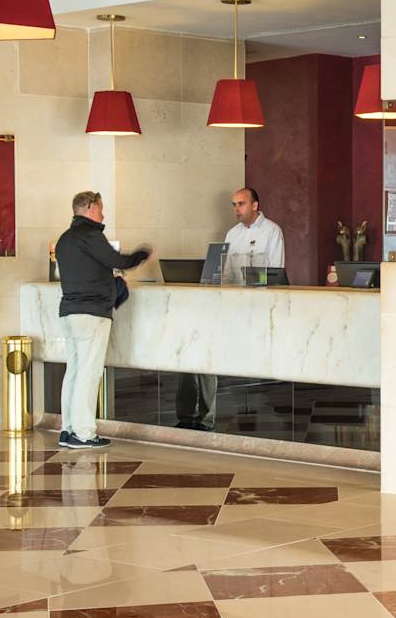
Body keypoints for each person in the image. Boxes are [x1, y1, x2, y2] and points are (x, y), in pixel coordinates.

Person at [175, 187, 287, 431]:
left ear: (255, 205)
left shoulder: (272, 231)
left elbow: (276, 272)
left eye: (241, 203)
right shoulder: (232, 234)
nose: (237, 209)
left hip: (257, 308)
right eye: (234, 204)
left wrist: (251, 277)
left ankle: (211, 415)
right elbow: (224, 271)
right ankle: (196, 415)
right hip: (230, 306)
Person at [55, 191, 151, 449]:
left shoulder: (64, 239)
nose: (103, 214)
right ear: (89, 208)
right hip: (92, 313)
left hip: (70, 312)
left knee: (74, 371)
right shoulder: (90, 235)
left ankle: (68, 429)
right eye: (100, 208)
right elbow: (117, 260)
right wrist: (141, 255)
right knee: (89, 372)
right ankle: (84, 433)